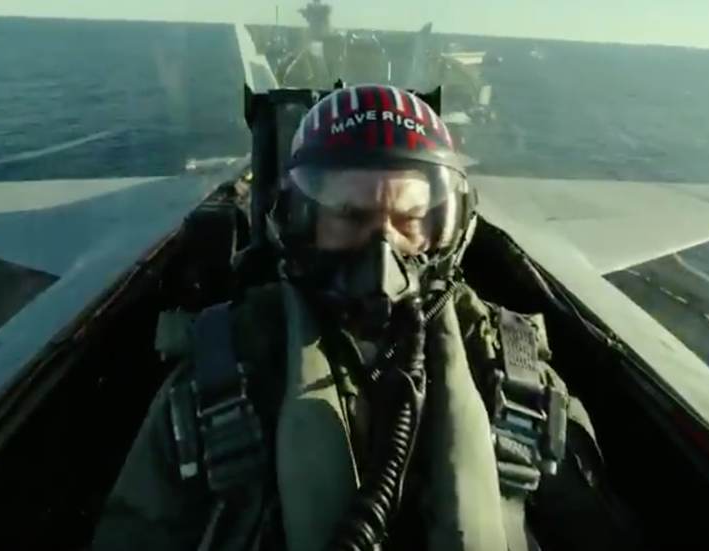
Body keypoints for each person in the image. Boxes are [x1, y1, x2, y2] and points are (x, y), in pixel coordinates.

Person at [91, 84, 629, 551]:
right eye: (350, 216)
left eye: (410, 218)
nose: (382, 253)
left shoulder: (515, 380)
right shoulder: (218, 382)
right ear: (300, 221)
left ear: (446, 227)